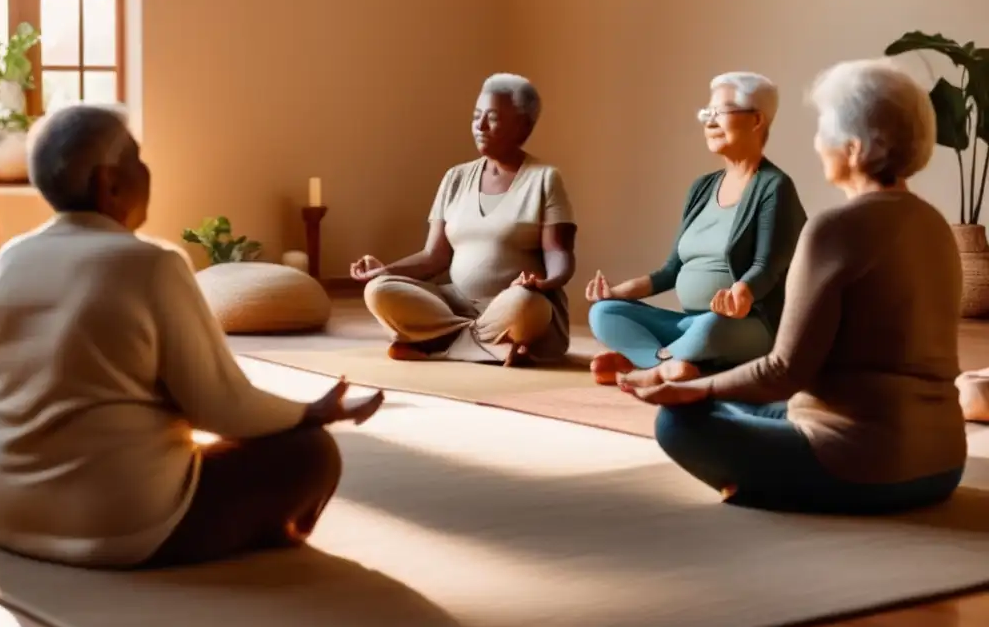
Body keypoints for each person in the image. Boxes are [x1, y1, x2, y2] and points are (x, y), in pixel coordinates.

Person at [0, 104, 384, 569]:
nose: (147, 171)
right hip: (119, 524)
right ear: (110, 182)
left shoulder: (8, 261)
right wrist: (311, 411)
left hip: (3, 512)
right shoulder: (151, 264)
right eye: (137, 158)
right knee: (309, 452)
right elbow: (221, 406)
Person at [627, 59, 967, 514]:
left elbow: (784, 372)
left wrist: (693, 391)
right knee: (738, 401)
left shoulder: (835, 228)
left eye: (822, 129)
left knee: (678, 422)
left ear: (852, 146)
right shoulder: (936, 225)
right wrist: (706, 383)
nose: (816, 142)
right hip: (944, 463)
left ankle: (770, 487)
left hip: (865, 468)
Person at [585, 72, 806, 386]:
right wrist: (615, 293)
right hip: (689, 325)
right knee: (605, 314)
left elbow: (767, 267)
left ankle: (648, 363)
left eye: (720, 113)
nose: (709, 122)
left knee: (710, 328)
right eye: (707, 113)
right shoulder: (702, 188)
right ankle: (675, 363)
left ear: (756, 120)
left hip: (743, 325)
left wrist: (743, 292)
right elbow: (671, 271)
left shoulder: (774, 186)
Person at [351, 73, 577, 365]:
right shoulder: (455, 177)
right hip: (453, 305)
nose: (480, 126)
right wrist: (384, 272)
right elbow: (433, 257)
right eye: (476, 116)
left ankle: (436, 342)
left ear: (522, 125)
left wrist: (542, 283)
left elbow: (560, 253)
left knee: (528, 305)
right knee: (378, 291)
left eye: (492, 118)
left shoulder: (544, 178)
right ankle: (487, 346)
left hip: (511, 305)